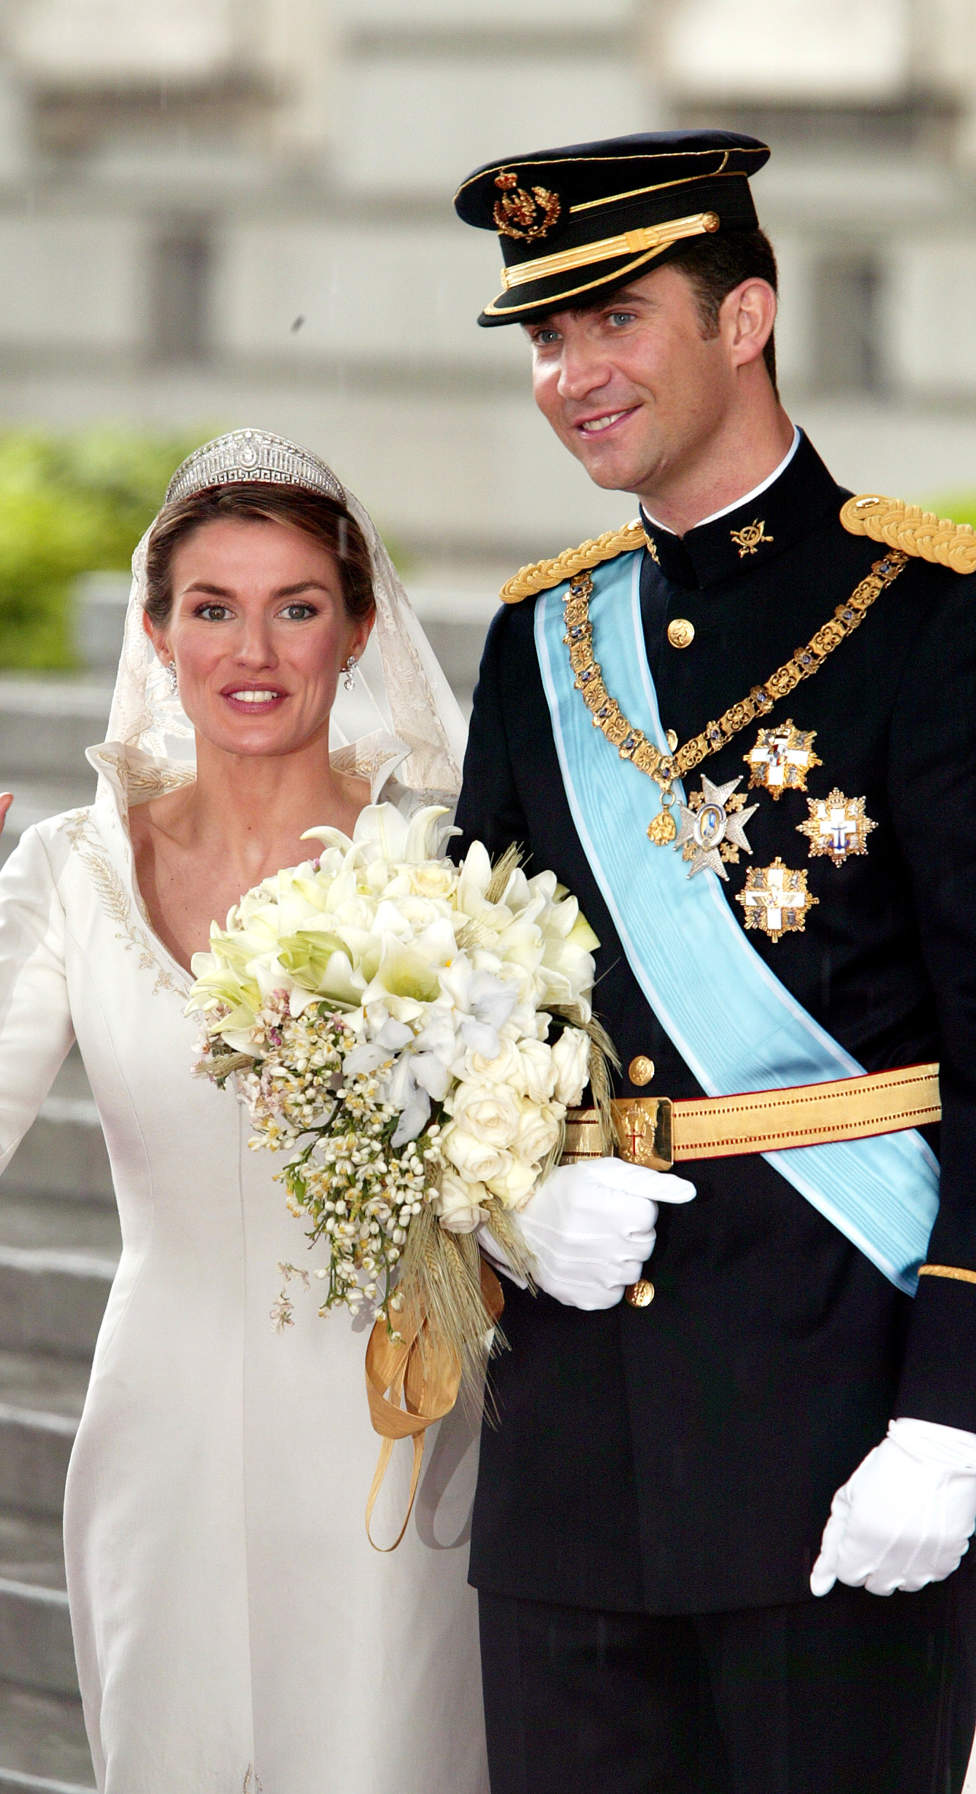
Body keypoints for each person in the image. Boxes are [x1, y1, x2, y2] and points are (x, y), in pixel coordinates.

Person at [0, 428, 489, 1794]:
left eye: (295, 606)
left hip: (392, 1455)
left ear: (357, 626)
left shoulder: (437, 861)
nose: (252, 650)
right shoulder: (70, 871)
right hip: (158, 1450)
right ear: (159, 629)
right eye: (213, 607)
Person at [451, 129, 976, 1793]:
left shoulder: (933, 617)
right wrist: (508, 1197)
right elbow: (476, 1001)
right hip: (576, 1452)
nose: (570, 374)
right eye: (545, 339)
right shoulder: (539, 640)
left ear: (746, 314)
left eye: (612, 321)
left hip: (842, 1427)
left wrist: (957, 1407)